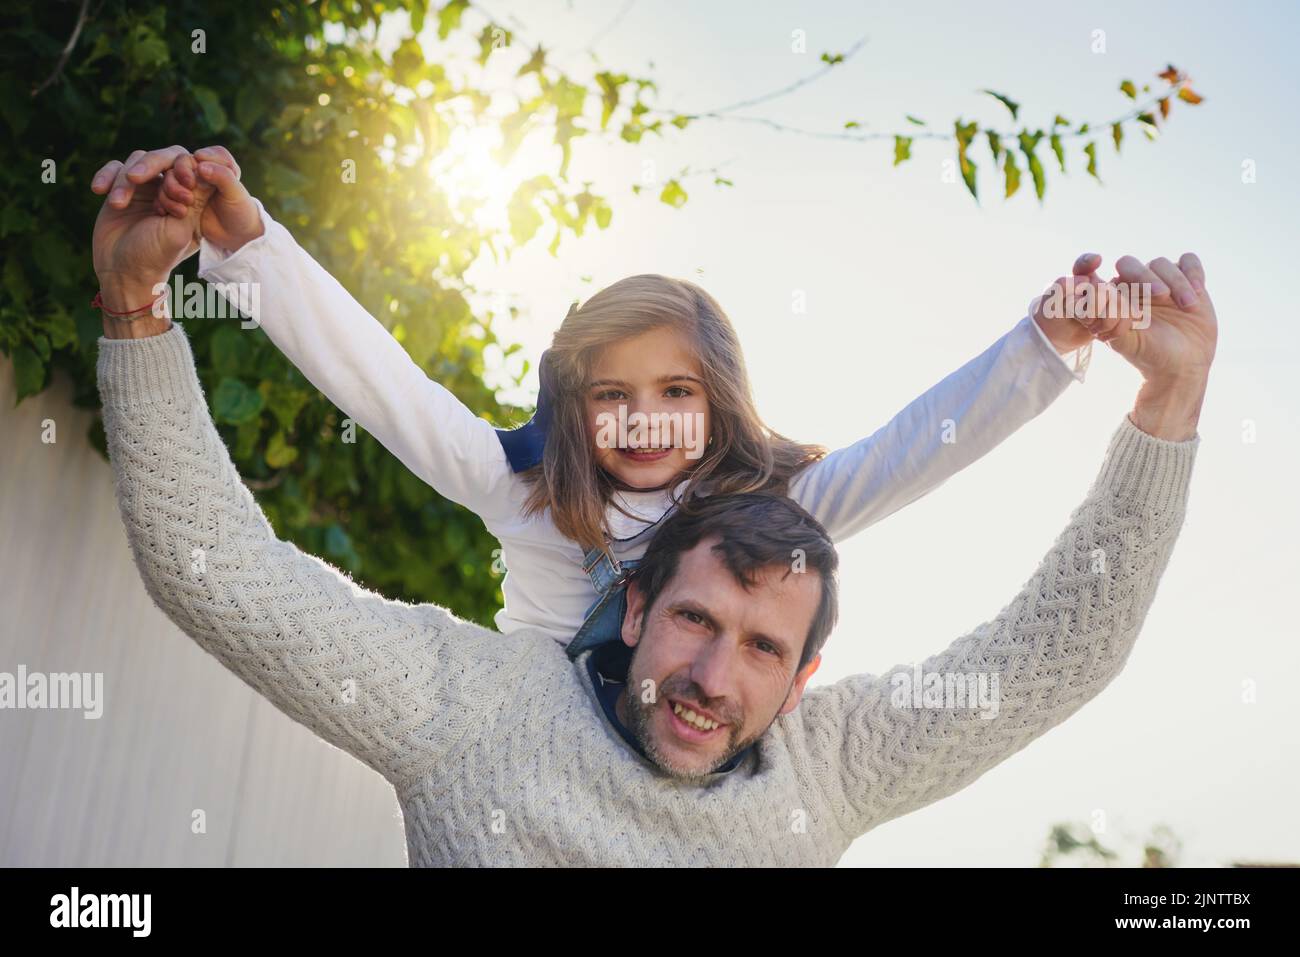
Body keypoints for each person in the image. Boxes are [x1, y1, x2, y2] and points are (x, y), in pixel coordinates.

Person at [90, 146, 1215, 866]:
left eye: (761, 643)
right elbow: (373, 404)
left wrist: (1072, 357)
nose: (717, 673)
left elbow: (926, 464)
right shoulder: (497, 626)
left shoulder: (783, 548)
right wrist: (221, 261)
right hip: (524, 698)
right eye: (688, 619)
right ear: (631, 608)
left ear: (803, 674)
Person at [93, 145, 1113, 654]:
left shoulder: (774, 515)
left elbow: (916, 447)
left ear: (718, 404)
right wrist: (244, 240)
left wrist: (1044, 343)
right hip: (522, 743)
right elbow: (381, 385)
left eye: (675, 390)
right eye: (609, 394)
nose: (641, 417)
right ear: (573, 408)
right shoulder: (520, 484)